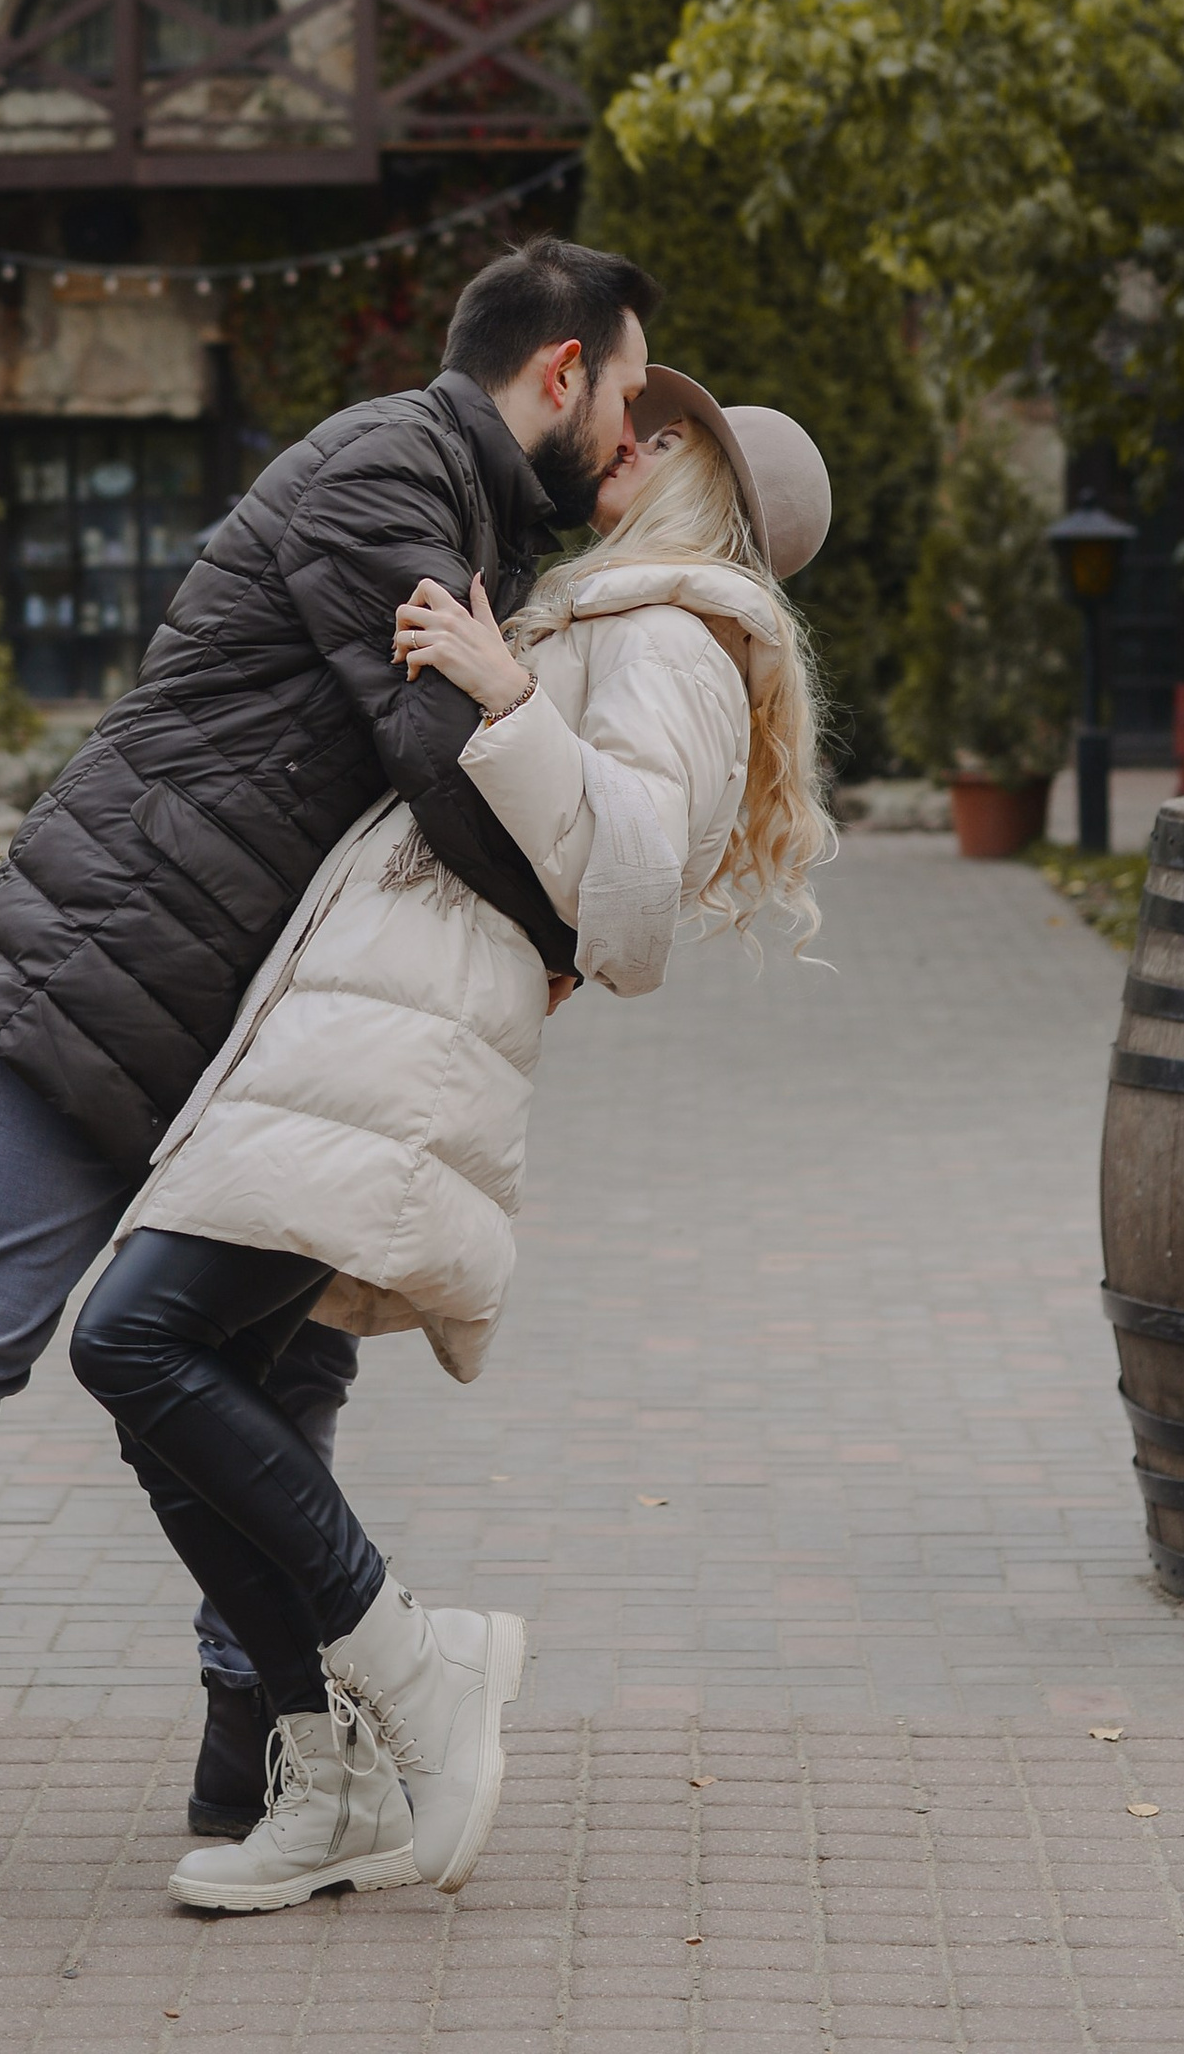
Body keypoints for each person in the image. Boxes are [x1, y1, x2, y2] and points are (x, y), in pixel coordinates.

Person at [0, 236, 658, 1950]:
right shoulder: (385, 469)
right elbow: (432, 756)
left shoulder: (476, 527)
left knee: (288, 1356)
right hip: (110, 974)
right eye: (627, 394)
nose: (628, 438)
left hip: (253, 1024)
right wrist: (567, 899)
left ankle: (250, 1734)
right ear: (559, 371)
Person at [68, 367, 831, 1915]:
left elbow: (626, 902)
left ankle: (417, 1663)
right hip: (370, 1018)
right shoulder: (611, 611)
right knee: (181, 1385)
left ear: (715, 500)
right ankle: (331, 1770)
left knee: (133, 1341)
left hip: (408, 1041)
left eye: (676, 436)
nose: (638, 428)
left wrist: (506, 695)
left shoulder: (677, 636)